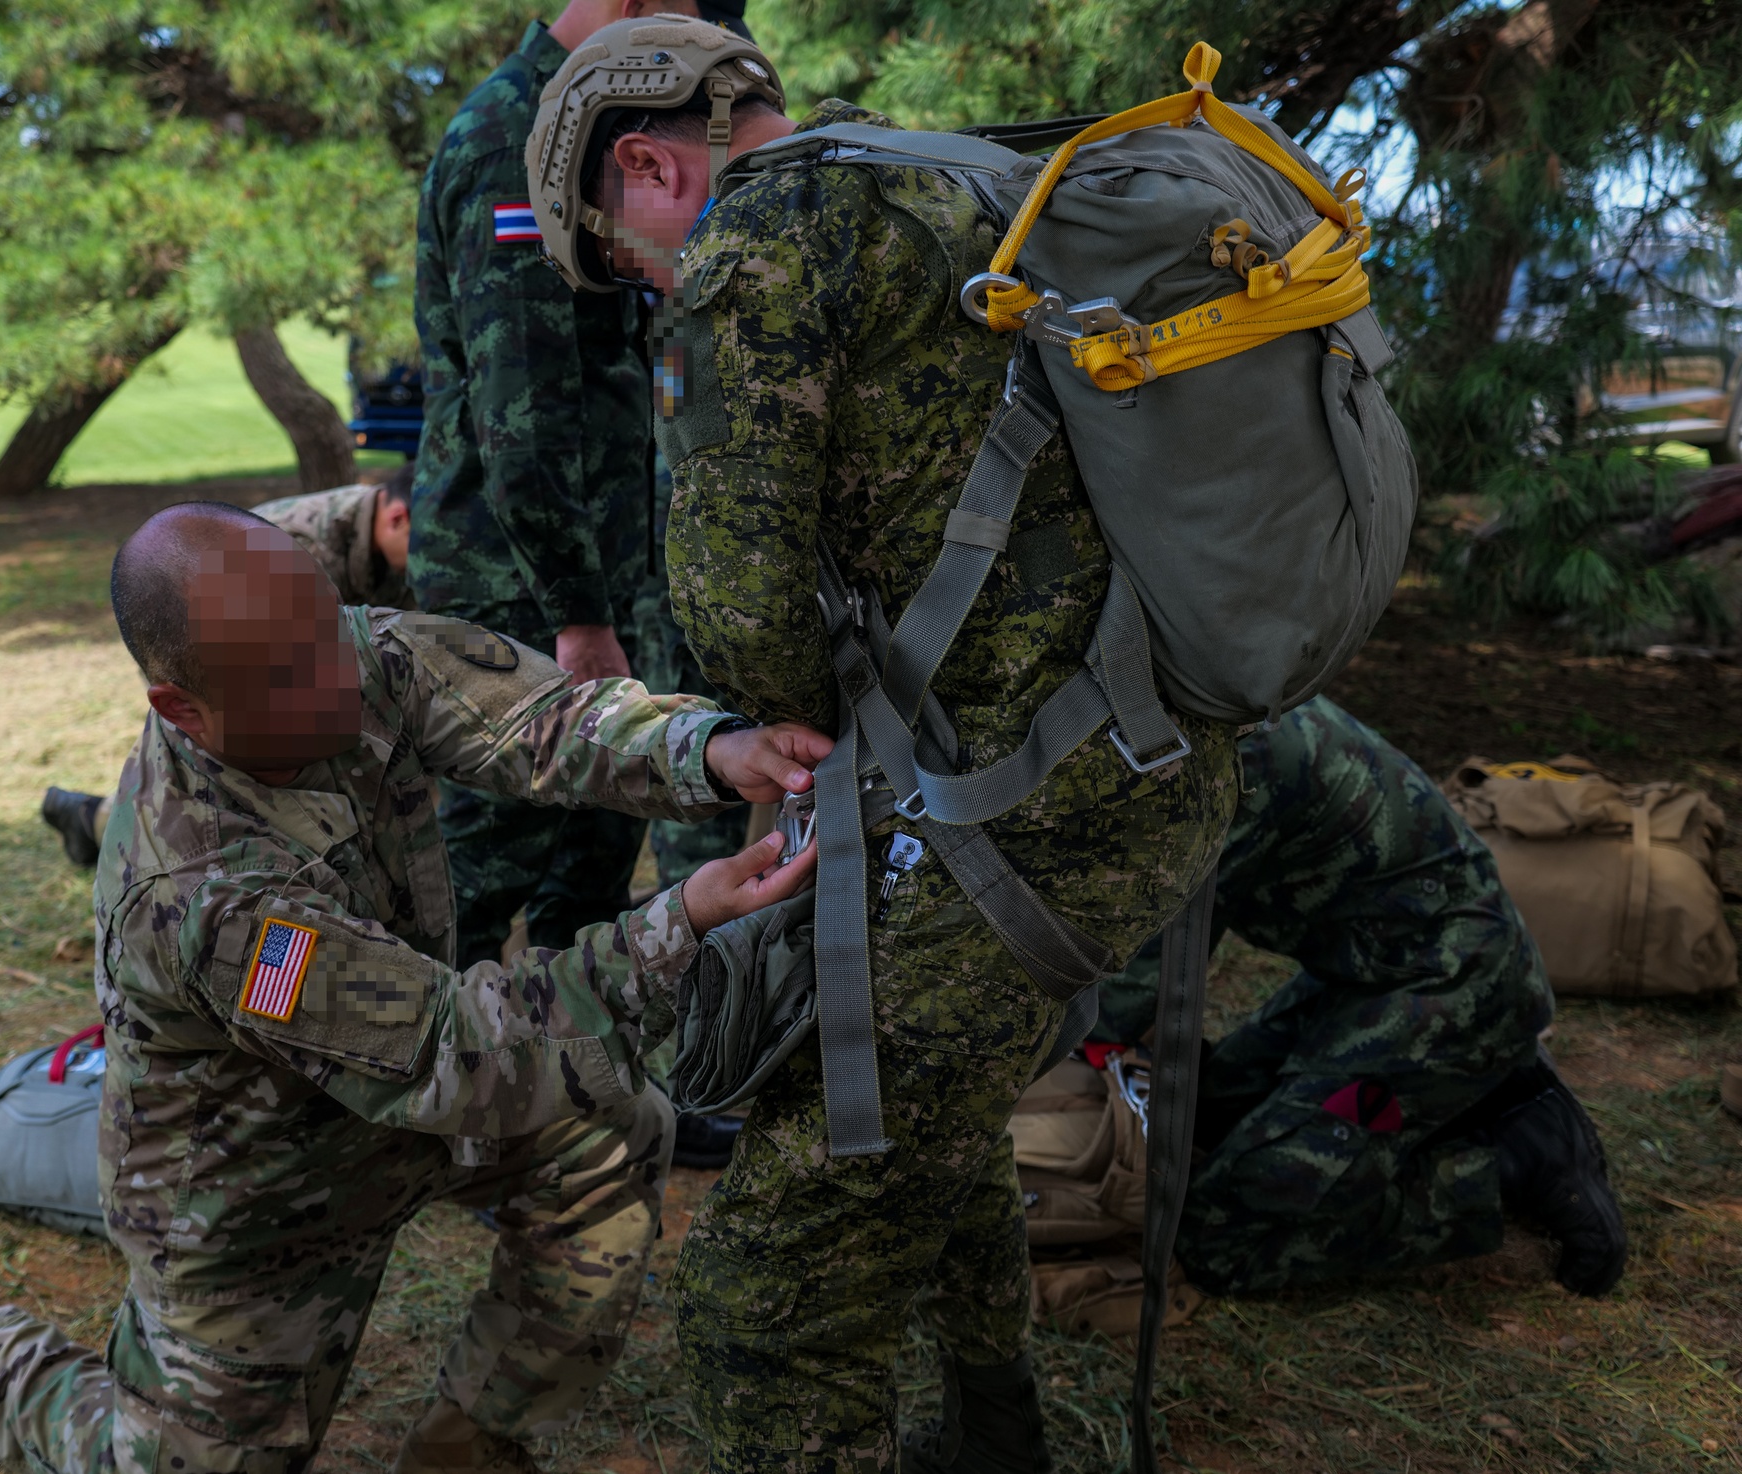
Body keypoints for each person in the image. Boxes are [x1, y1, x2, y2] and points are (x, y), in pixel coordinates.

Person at [528, 20, 1239, 1472]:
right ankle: (998, 1437)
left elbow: (739, 611)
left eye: (626, 261)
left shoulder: (759, 248)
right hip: (1132, 766)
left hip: (1022, 815)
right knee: (926, 1112)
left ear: (654, 166)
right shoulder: (955, 185)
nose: (652, 289)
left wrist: (766, 719)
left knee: (760, 1303)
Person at [0, 502, 828, 1474]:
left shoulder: (351, 653)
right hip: (254, 1200)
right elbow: (453, 1054)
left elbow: (544, 719)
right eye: (289, 673)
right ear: (182, 709)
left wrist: (707, 751)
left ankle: (466, 1442)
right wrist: (683, 922)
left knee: (612, 1121)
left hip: (406, 1103)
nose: (339, 680)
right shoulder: (202, 888)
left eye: (330, 628)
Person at [408, 0, 752, 976]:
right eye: (704, 13)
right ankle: (420, 1094)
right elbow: (519, 410)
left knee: (592, 865)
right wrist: (578, 615)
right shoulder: (512, 135)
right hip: (518, 581)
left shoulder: (605, 120)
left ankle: (572, 1095)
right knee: (482, 869)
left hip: (605, 570)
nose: (723, 38)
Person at [1082, 697, 1627, 1302]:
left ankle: (1513, 1167)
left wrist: (1063, 1051)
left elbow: (1159, 958)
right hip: (1371, 971)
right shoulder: (1213, 695)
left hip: (1453, 986)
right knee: (1208, 1118)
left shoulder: (1231, 754)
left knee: (1221, 1235)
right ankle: (1478, 1090)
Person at [40, 467, 416, 866]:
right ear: (396, 519)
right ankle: (94, 822)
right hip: (203, 659)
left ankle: (88, 818)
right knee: (239, 785)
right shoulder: (303, 550)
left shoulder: (400, 529)